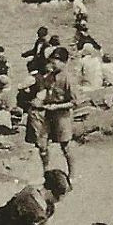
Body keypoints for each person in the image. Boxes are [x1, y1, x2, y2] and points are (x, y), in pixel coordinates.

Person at [39, 48, 78, 180]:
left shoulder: (68, 78)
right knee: (42, 144)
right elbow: (45, 92)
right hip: (48, 114)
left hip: (62, 115)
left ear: (64, 62)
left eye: (56, 62)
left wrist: (57, 106)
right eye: (52, 61)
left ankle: (72, 175)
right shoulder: (50, 76)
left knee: (65, 146)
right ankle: (46, 172)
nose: (53, 64)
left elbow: (74, 102)